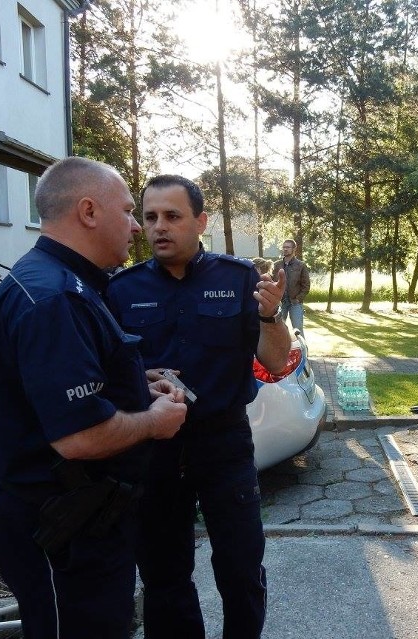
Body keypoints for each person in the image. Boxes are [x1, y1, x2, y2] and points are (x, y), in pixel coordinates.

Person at [0, 157, 188, 639]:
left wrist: (138, 383)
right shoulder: (56, 298)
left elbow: (72, 384)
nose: (137, 226)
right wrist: (154, 421)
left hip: (84, 521)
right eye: (130, 210)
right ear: (89, 211)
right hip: (61, 529)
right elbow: (79, 437)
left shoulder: (66, 283)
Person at [107, 174, 291, 639]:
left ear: (200, 221)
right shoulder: (121, 289)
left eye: (172, 216)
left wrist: (270, 315)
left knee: (241, 568)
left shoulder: (238, 278)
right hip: (156, 449)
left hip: (223, 445)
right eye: (149, 217)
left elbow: (274, 358)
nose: (158, 227)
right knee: (164, 575)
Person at [273, 238, 310, 335]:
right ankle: (280, 350)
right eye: (284, 247)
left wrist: (298, 299)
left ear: (294, 249)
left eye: (288, 247)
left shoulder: (301, 265)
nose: (285, 249)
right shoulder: (277, 265)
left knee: (298, 331)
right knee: (277, 331)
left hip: (295, 303)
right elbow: (273, 282)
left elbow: (306, 286)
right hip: (280, 303)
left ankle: (303, 350)